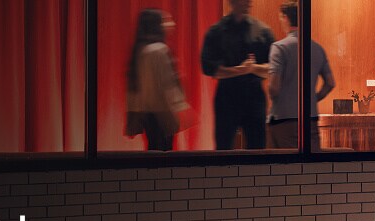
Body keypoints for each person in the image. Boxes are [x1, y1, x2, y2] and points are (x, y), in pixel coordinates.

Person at [201, 0, 276, 150]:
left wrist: (252, 68)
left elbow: (273, 67)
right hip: (227, 96)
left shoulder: (262, 30)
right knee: (224, 147)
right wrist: (241, 70)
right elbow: (209, 68)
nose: (249, 3)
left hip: (254, 96)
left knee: (257, 148)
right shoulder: (217, 31)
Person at [267, 1, 333, 150]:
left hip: (284, 119)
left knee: (284, 166)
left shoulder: (279, 48)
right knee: (311, 166)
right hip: (311, 119)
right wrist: (312, 98)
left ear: (285, 18)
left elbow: (274, 88)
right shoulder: (317, 48)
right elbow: (330, 83)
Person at [126, 9, 188, 152]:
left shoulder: (141, 50)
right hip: (162, 113)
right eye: (165, 21)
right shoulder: (159, 50)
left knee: (153, 150)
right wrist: (175, 113)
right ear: (156, 26)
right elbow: (165, 87)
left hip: (148, 114)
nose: (171, 24)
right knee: (163, 153)